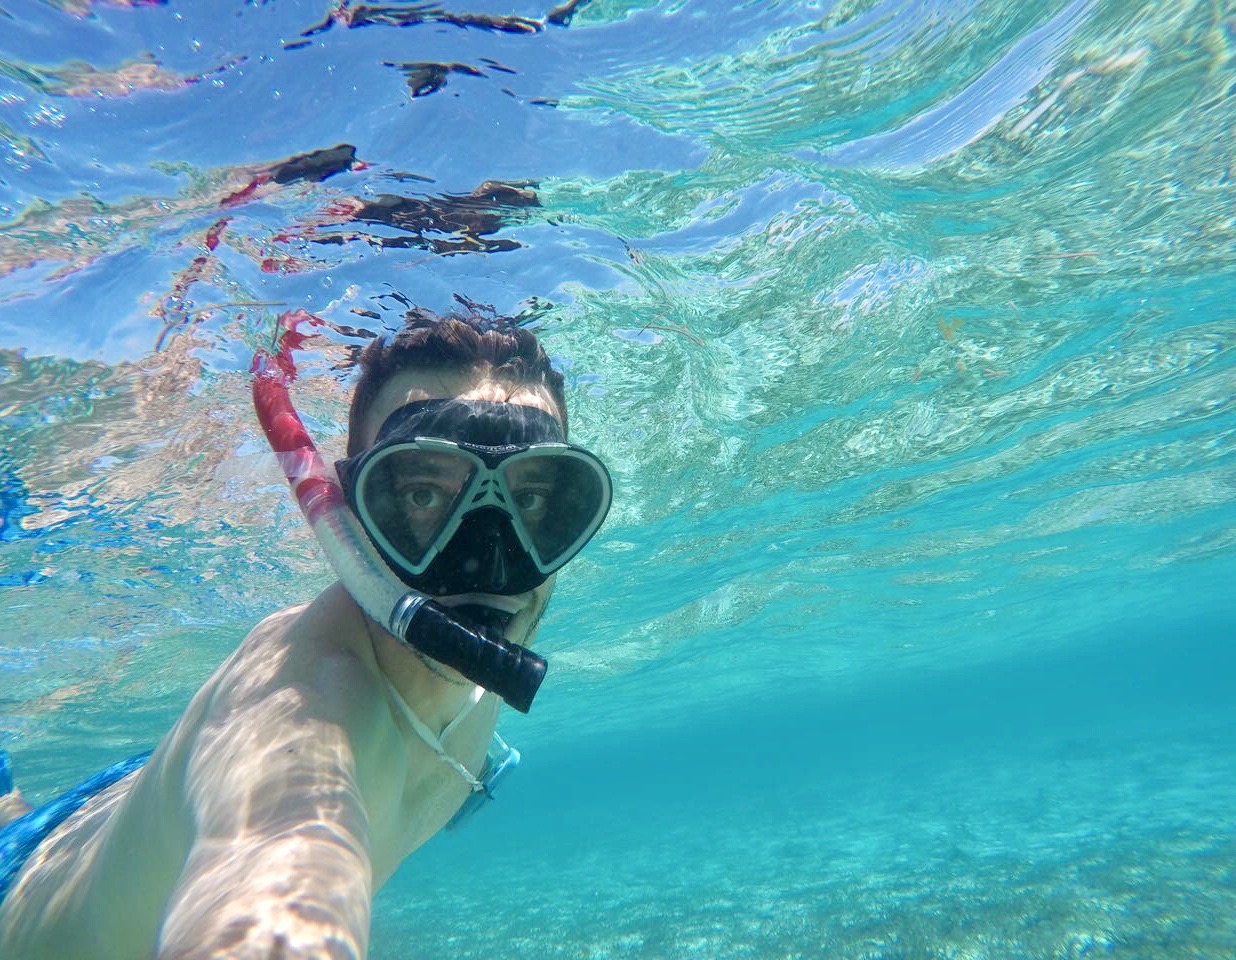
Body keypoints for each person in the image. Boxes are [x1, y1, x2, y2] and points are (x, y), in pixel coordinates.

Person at [0, 308, 611, 959]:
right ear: (347, 523)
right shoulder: (296, 714)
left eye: (534, 500)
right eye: (425, 496)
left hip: (135, 807)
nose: (488, 559)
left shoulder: (468, 662)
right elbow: (270, 861)